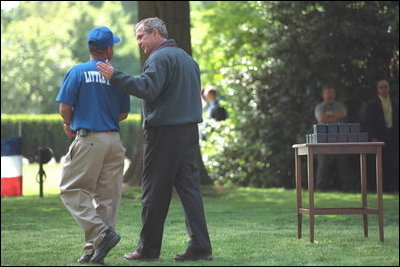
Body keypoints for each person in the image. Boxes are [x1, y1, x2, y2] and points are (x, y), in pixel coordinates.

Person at [97, 17, 212, 261]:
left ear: (157, 33)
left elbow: (147, 88)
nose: (139, 42)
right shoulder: (188, 60)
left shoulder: (159, 58)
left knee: (153, 192)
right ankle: (201, 247)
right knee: (190, 191)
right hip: (188, 132)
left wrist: (115, 76)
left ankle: (147, 249)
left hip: (164, 133)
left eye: (141, 36)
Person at [55, 26, 130, 264]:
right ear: (108, 49)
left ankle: (101, 235)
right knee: (107, 198)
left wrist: (69, 123)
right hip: (114, 141)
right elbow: (123, 114)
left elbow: (65, 107)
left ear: (90, 48)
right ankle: (93, 252)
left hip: (89, 140)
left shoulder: (77, 72)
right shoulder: (117, 76)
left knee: (72, 189)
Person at [314, 85, 350, 190]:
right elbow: (321, 119)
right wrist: (335, 115)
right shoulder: (319, 107)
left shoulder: (340, 105)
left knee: (343, 164)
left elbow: (343, 113)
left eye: (331, 92)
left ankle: (346, 187)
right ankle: (320, 188)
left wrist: (329, 115)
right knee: (323, 165)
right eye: (327, 92)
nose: (330, 95)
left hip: (340, 138)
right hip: (324, 140)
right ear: (323, 94)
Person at [365, 80, 399, 192]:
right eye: (381, 87)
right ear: (377, 89)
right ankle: (378, 188)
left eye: (386, 87)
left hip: (393, 135)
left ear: (389, 88)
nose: (384, 89)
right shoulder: (372, 104)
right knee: (379, 162)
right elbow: (370, 122)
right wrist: (373, 137)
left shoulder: (395, 103)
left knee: (393, 162)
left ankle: (392, 187)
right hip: (379, 135)